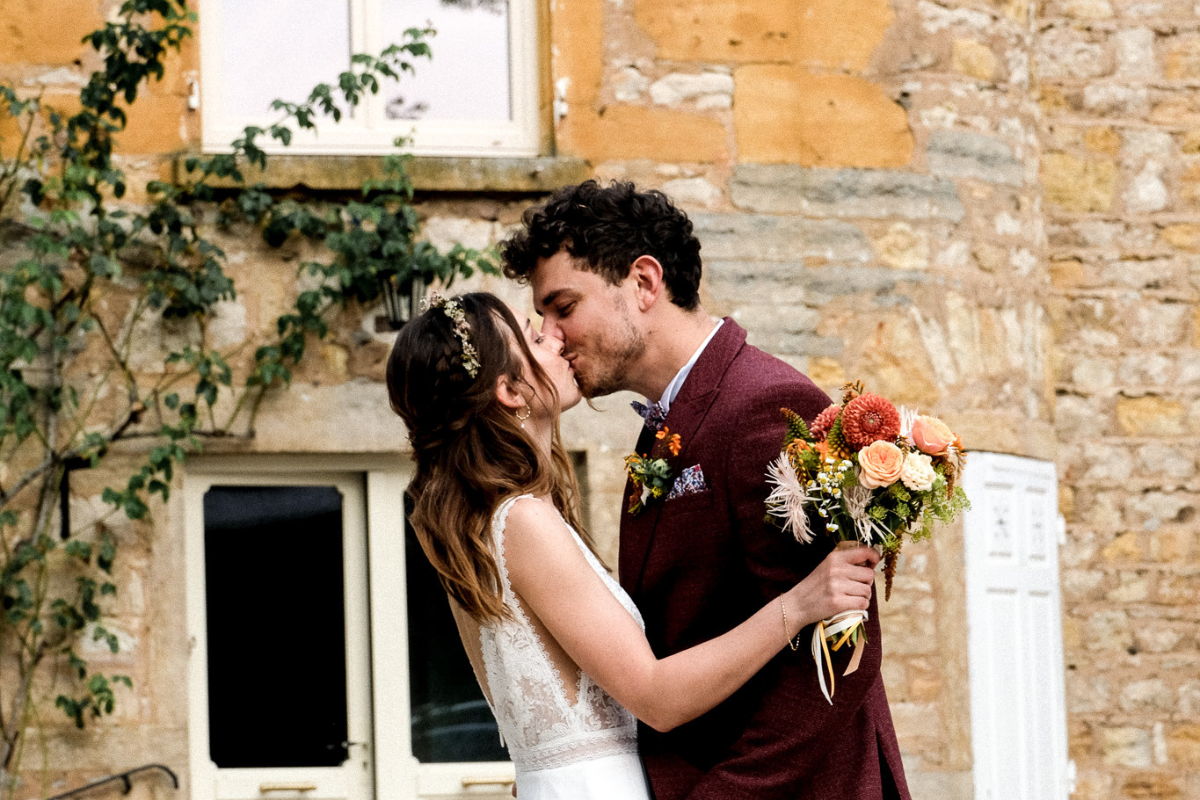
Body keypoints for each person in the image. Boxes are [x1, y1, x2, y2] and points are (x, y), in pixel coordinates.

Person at [500, 180, 912, 800]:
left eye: (564, 307)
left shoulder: (767, 408)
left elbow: (835, 665)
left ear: (643, 284)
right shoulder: (661, 431)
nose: (552, 337)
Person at [386, 291, 880, 800]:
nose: (554, 336)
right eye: (536, 336)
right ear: (510, 389)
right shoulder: (523, 521)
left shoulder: (475, 523)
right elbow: (655, 696)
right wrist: (799, 605)